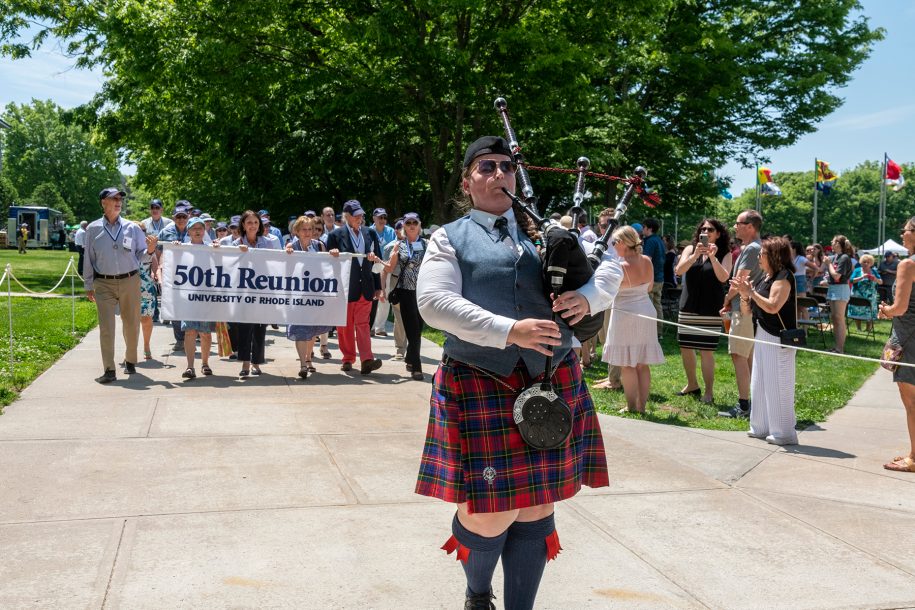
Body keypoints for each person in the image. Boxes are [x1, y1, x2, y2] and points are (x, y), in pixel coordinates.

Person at [416, 136, 621, 610]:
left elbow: (611, 265)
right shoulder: (448, 237)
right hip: (479, 377)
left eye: (506, 166)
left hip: (553, 378)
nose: (499, 173)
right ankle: (477, 593)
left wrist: (588, 297)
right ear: (467, 182)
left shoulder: (547, 230)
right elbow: (433, 303)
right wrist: (511, 331)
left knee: (535, 506)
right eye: (485, 167)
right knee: (489, 513)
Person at [83, 187, 157, 383]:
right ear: (103, 203)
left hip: (130, 280)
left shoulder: (132, 228)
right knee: (106, 327)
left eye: (120, 198)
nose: (118, 201)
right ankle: (109, 369)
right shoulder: (93, 229)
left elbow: (141, 255)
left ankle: (131, 360)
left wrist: (149, 250)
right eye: (113, 198)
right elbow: (88, 259)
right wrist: (88, 283)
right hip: (103, 282)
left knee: (131, 323)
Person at [733, 236, 799, 445]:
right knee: (759, 381)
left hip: (778, 337)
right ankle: (760, 426)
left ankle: (784, 432)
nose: (759, 257)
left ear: (773, 255)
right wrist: (744, 295)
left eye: (762, 254)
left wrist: (751, 292)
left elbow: (772, 306)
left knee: (777, 382)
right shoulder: (765, 278)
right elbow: (747, 311)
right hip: (762, 332)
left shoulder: (784, 277)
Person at [603, 225, 665, 413]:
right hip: (646, 309)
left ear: (622, 243)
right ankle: (642, 406)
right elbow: (649, 287)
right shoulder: (646, 260)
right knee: (641, 363)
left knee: (627, 364)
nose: (613, 245)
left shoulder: (619, 266)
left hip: (625, 313)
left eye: (614, 242)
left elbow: (610, 291)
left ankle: (631, 407)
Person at [674, 219, 732, 403]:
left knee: (706, 350)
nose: (705, 231)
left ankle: (709, 392)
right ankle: (692, 384)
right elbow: (678, 271)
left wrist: (713, 257)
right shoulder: (690, 249)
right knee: (686, 347)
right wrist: (695, 255)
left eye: (710, 229)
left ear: (718, 233)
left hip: (710, 307)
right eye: (703, 228)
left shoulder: (725, 253)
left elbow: (723, 277)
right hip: (688, 305)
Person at [326, 200, 384, 375]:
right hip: (345, 288)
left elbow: (377, 262)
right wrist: (333, 255)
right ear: (347, 216)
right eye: (356, 215)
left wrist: (378, 286)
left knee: (363, 324)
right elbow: (328, 264)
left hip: (366, 286)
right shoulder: (336, 236)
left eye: (361, 214)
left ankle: (367, 359)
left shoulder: (370, 234)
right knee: (345, 326)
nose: (360, 218)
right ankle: (348, 358)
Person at [877, 218, 915, 473]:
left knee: (911, 401)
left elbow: (899, 307)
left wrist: (885, 310)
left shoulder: (908, 264)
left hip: (910, 336)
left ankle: (914, 457)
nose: (902, 234)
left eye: (906, 230)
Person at [719, 210, 764, 419]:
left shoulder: (752, 248)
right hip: (749, 308)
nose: (734, 226)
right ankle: (754, 404)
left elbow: (739, 281)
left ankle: (744, 405)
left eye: (738, 223)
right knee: (747, 357)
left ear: (750, 226)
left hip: (744, 309)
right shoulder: (754, 248)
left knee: (739, 355)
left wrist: (726, 300)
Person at [232, 210, 281, 376]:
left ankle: (257, 363)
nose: (252, 226)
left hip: (264, 291)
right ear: (243, 226)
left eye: (255, 222)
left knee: (260, 328)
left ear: (259, 225)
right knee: (245, 328)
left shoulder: (269, 242)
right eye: (249, 223)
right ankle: (245, 363)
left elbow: (278, 262)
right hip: (243, 292)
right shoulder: (235, 244)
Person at [284, 216, 334, 379]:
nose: (307, 232)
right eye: (304, 229)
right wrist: (288, 256)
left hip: (315, 294)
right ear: (296, 231)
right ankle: (303, 365)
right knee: (300, 330)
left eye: (310, 229)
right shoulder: (291, 246)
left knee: (312, 331)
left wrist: (332, 254)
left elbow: (327, 267)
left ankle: (308, 357)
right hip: (297, 295)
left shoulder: (319, 245)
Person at [383, 212, 427, 380]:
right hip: (405, 292)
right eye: (408, 222)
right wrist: (378, 261)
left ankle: (410, 357)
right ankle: (417, 367)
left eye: (414, 222)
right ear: (404, 226)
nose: (411, 225)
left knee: (419, 329)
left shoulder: (428, 244)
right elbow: (389, 268)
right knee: (412, 330)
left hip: (422, 292)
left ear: (419, 225)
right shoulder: (398, 246)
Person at [175, 218, 219, 379]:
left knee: (205, 332)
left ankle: (205, 363)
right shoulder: (182, 248)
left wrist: (218, 251)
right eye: (194, 228)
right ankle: (190, 367)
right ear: (188, 232)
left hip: (207, 297)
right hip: (188, 297)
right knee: (190, 331)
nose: (198, 230)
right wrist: (175, 249)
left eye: (200, 227)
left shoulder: (212, 248)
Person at [382, 219, 408, 361]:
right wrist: (382, 289)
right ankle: (400, 348)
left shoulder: (419, 245)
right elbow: (384, 269)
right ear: (396, 231)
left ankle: (411, 347)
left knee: (412, 316)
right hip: (396, 281)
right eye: (400, 228)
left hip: (415, 283)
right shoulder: (389, 247)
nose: (404, 230)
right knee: (399, 316)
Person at [369, 208, 397, 337]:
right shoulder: (368, 231)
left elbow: (394, 248)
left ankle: (380, 327)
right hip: (371, 266)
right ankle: (370, 325)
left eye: (384, 217)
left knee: (384, 296)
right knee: (372, 296)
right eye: (380, 217)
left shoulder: (391, 231)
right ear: (374, 218)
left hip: (385, 266)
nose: (382, 220)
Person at [825, 235, 854, 353]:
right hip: (833, 288)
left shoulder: (845, 257)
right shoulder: (835, 257)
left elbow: (837, 275)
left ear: (838, 244)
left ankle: (840, 348)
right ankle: (837, 346)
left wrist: (828, 264)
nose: (831, 243)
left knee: (839, 318)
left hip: (841, 288)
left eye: (833, 241)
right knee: (834, 318)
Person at [134, 222, 159, 361]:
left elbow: (154, 262)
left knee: (146, 319)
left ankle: (146, 345)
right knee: (129, 321)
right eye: (137, 230)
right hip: (128, 287)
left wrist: (157, 275)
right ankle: (130, 349)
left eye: (143, 230)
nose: (140, 233)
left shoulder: (149, 246)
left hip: (145, 288)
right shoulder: (125, 245)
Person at [640, 218, 665, 336]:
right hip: (660, 277)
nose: (642, 229)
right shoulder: (659, 240)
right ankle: (659, 332)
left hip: (651, 278)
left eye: (643, 227)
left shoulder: (650, 241)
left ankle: (650, 332)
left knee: (648, 305)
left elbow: (647, 260)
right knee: (657, 305)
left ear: (649, 229)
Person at [849, 253, 882, 332]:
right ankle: (858, 328)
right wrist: (862, 277)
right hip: (858, 295)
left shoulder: (874, 271)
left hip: (871, 296)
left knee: (869, 311)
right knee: (857, 311)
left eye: (868, 262)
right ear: (861, 262)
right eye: (864, 262)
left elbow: (881, 282)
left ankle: (868, 328)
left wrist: (875, 279)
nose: (866, 263)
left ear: (871, 263)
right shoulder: (857, 270)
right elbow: (851, 280)